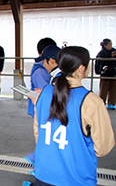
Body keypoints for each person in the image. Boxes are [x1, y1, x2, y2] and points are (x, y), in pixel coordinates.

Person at [32, 46, 115, 186]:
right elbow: (103, 147)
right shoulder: (91, 102)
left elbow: (38, 134)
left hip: (43, 174)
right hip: (76, 179)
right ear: (82, 68)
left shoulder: (43, 94)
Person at [24, 38, 56, 168]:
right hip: (41, 109)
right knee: (43, 136)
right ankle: (39, 163)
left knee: (43, 136)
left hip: (41, 108)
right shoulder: (41, 70)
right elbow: (44, 94)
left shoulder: (43, 68)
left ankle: (39, 160)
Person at [95, 38, 116, 110]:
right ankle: (101, 103)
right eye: (109, 45)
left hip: (114, 73)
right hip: (105, 73)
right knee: (104, 89)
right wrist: (111, 57)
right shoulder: (102, 53)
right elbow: (101, 63)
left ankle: (111, 103)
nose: (111, 46)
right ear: (105, 45)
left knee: (113, 89)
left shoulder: (114, 51)